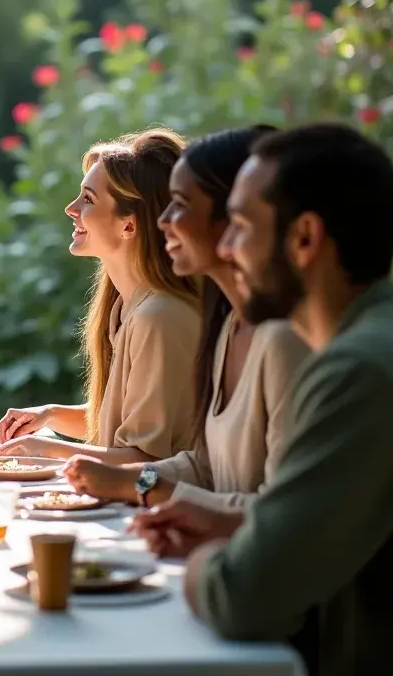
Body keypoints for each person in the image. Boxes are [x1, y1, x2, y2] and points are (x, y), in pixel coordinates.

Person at [133, 124, 393, 676]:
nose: (226, 249)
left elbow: (242, 597)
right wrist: (239, 526)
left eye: (242, 227)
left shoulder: (357, 371)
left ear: (304, 238)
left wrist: (208, 557)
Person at [63, 127, 310, 508]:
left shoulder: (282, 342)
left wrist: (144, 488)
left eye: (181, 204)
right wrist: (132, 482)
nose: (163, 220)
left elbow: (283, 511)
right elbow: (202, 465)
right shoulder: (226, 328)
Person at [0, 128, 201, 462]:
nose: (71, 208)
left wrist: (49, 450)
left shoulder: (159, 319)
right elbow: (121, 421)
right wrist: (50, 415)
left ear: (128, 225)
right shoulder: (125, 306)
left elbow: (145, 460)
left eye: (88, 199)